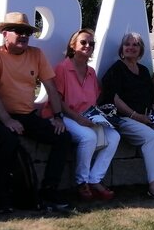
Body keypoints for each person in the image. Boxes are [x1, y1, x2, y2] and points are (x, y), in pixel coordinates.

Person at [0, 11, 72, 213]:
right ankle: (3, 198)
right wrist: (7, 121)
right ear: (5, 34)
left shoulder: (36, 54)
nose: (23, 36)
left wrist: (58, 117)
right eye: (18, 31)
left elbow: (51, 87)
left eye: (27, 32)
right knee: (9, 140)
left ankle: (49, 190)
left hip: (27, 116)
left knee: (63, 137)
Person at [99, 32, 154, 200]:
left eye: (135, 45)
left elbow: (153, 99)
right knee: (151, 137)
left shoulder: (144, 71)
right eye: (127, 44)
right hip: (124, 119)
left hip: (146, 119)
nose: (131, 47)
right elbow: (115, 99)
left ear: (141, 50)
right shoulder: (116, 69)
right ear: (122, 49)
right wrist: (136, 116)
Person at [49, 29, 119, 201]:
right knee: (88, 137)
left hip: (88, 117)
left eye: (91, 43)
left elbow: (95, 99)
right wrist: (78, 118)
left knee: (114, 136)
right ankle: (82, 182)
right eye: (83, 42)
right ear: (73, 45)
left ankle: (95, 179)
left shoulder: (91, 72)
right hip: (66, 116)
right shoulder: (62, 68)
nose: (88, 45)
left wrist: (100, 117)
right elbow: (58, 100)